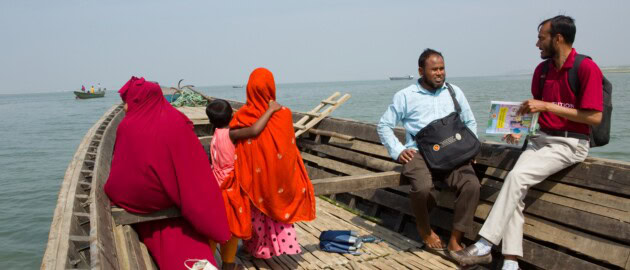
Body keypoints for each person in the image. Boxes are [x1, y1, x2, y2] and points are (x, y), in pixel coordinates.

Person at [451, 15, 603, 270]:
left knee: (515, 179)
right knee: (516, 190)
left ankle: (484, 245)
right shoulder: (542, 71)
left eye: (541, 38)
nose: (537, 44)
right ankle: (510, 263)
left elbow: (595, 117)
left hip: (570, 144)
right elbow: (537, 112)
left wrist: (546, 105)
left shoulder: (586, 68)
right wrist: (519, 129)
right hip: (540, 139)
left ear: (558, 38)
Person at [104, 77, 231, 269]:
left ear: (139, 101)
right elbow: (195, 176)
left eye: (127, 102)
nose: (124, 108)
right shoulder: (176, 123)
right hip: (166, 204)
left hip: (136, 205)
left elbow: (119, 178)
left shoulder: (126, 126)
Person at [377, 49, 480, 257]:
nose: (439, 73)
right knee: (423, 187)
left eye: (442, 68)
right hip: (419, 153)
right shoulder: (405, 96)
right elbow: (384, 125)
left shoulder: (454, 92)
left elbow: (469, 121)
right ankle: (424, 230)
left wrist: (471, 147)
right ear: (421, 70)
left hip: (453, 151)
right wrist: (398, 151)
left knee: (472, 185)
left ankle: (454, 240)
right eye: (434, 69)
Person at [224, 67, 316, 259]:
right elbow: (288, 149)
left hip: (253, 177)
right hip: (278, 177)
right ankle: (274, 248)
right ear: (271, 88)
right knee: (273, 211)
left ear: (249, 89)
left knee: (255, 215)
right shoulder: (283, 114)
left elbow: (236, 138)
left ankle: (254, 247)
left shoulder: (242, 116)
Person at [205, 98, 282, 269]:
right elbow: (254, 130)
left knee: (216, 228)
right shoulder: (230, 134)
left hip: (216, 186)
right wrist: (271, 110)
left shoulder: (215, 135)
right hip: (230, 187)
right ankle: (228, 265)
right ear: (231, 115)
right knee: (232, 229)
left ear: (210, 120)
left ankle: (208, 263)